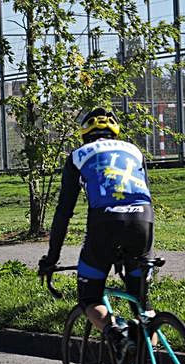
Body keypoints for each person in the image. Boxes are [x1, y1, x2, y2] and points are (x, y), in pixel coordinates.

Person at [37, 107, 155, 340]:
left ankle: (116, 335)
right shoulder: (134, 151)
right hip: (143, 219)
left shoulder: (78, 155)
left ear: (84, 134)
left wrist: (51, 259)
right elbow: (145, 193)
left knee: (90, 298)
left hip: (105, 222)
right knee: (141, 299)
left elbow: (63, 213)